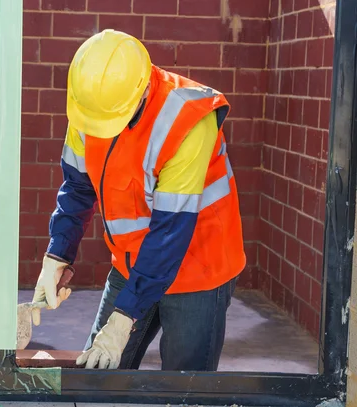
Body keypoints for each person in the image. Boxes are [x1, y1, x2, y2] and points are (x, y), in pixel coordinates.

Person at [31, 29, 246, 371]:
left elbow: (170, 232)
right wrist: (58, 254)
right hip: (131, 262)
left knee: (183, 387)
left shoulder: (188, 120)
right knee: (97, 374)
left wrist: (124, 317)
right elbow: (77, 188)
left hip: (199, 267)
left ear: (144, 91)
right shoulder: (91, 108)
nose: (102, 131)